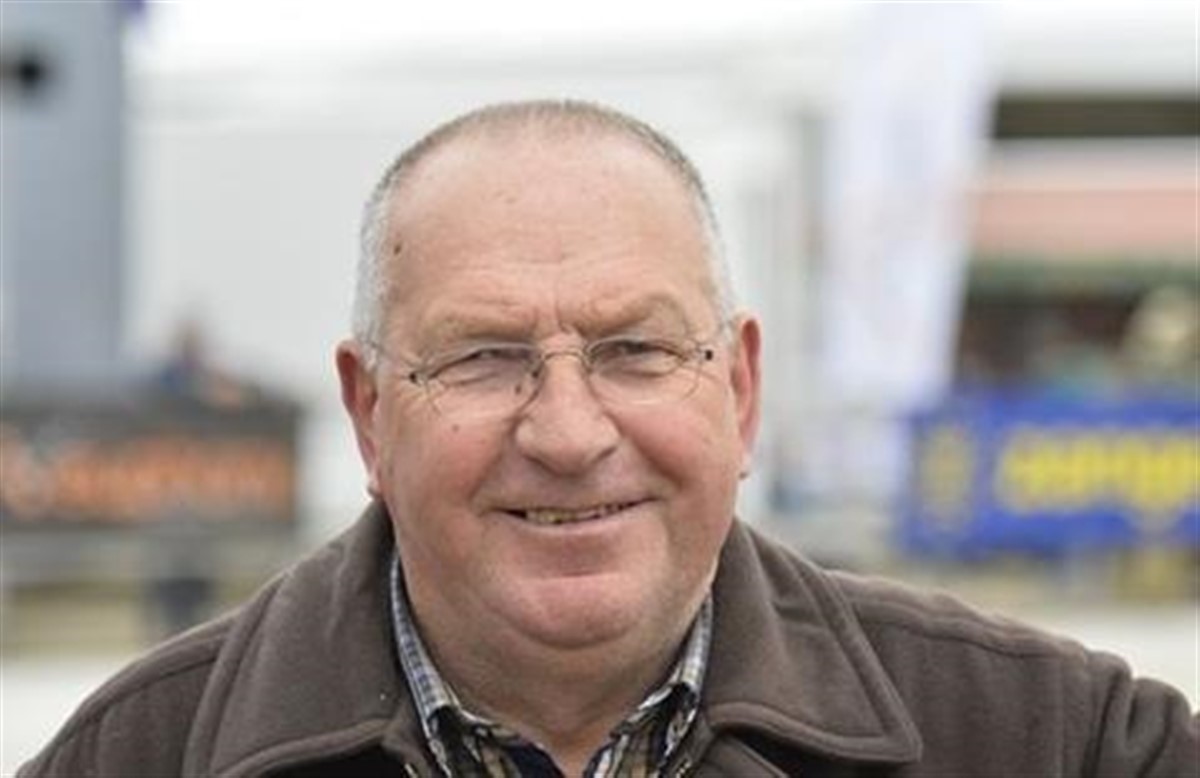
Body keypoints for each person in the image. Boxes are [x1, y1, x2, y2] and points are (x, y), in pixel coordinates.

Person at [20, 100, 1198, 777]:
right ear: (370, 414)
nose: (570, 432)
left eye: (637, 349)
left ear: (740, 391)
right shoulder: (136, 757)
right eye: (483, 357)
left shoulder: (1061, 740)